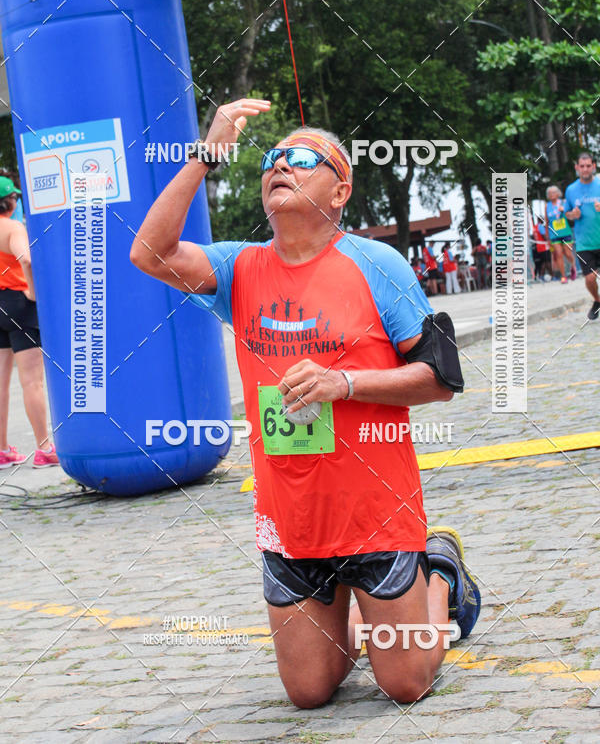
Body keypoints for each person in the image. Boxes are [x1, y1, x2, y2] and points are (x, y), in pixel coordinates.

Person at [131, 99, 480, 707]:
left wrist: (345, 383)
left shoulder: (378, 264)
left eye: (300, 157)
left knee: (405, 683)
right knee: (309, 691)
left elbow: (440, 378)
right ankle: (357, 614)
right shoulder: (239, 267)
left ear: (340, 191)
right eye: (272, 157)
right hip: (291, 519)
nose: (280, 165)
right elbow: (149, 252)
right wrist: (206, 154)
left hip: (375, 512)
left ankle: (442, 575)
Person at [0, 174, 58, 468]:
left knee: (1, 382)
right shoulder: (13, 228)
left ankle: (2, 450)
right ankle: (44, 447)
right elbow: (27, 260)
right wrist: (33, 293)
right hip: (18, 304)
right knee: (32, 381)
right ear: (10, 202)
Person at [565, 152, 600, 319]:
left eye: (588, 166)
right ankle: (597, 300)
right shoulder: (571, 190)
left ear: (594, 166)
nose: (585, 169)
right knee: (590, 279)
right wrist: (573, 214)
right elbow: (567, 214)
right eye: (582, 166)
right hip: (584, 242)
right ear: (577, 168)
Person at [545, 185, 576, 283]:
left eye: (553, 192)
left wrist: (565, 210)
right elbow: (546, 222)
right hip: (554, 234)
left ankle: (573, 266)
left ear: (558, 193)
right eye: (549, 193)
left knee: (568, 253)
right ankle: (563, 276)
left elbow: (572, 214)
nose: (551, 194)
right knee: (558, 254)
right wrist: (547, 238)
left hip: (565, 232)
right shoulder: (547, 206)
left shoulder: (564, 202)